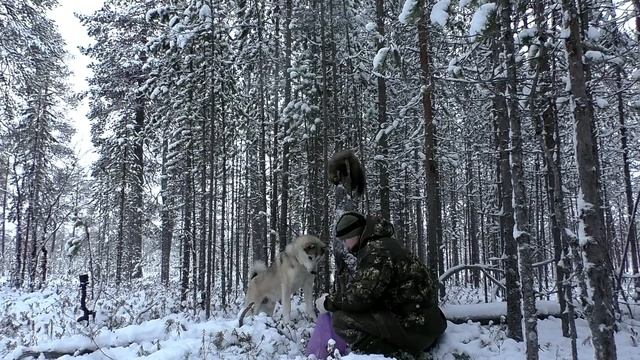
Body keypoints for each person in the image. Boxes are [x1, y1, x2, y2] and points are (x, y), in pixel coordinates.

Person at [315, 211, 447, 358]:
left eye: (345, 239)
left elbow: (361, 297)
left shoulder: (376, 251)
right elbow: (368, 292)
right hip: (426, 323)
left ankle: (401, 356)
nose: (345, 245)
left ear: (355, 234)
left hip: (416, 328)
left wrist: (329, 302)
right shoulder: (383, 244)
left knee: (341, 320)